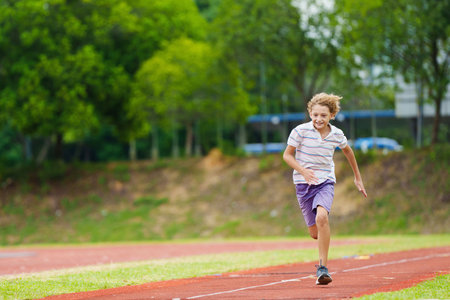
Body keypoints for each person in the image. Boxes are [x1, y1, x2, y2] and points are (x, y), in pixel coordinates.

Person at [283, 92, 367, 285]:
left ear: (332, 115)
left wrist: (358, 178)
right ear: (310, 113)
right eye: (315, 115)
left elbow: (348, 151)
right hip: (303, 184)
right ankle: (320, 247)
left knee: (322, 217)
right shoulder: (300, 131)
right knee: (315, 233)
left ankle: (322, 268)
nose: (319, 119)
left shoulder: (336, 134)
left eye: (323, 115)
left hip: (325, 181)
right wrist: (303, 171)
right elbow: (287, 156)